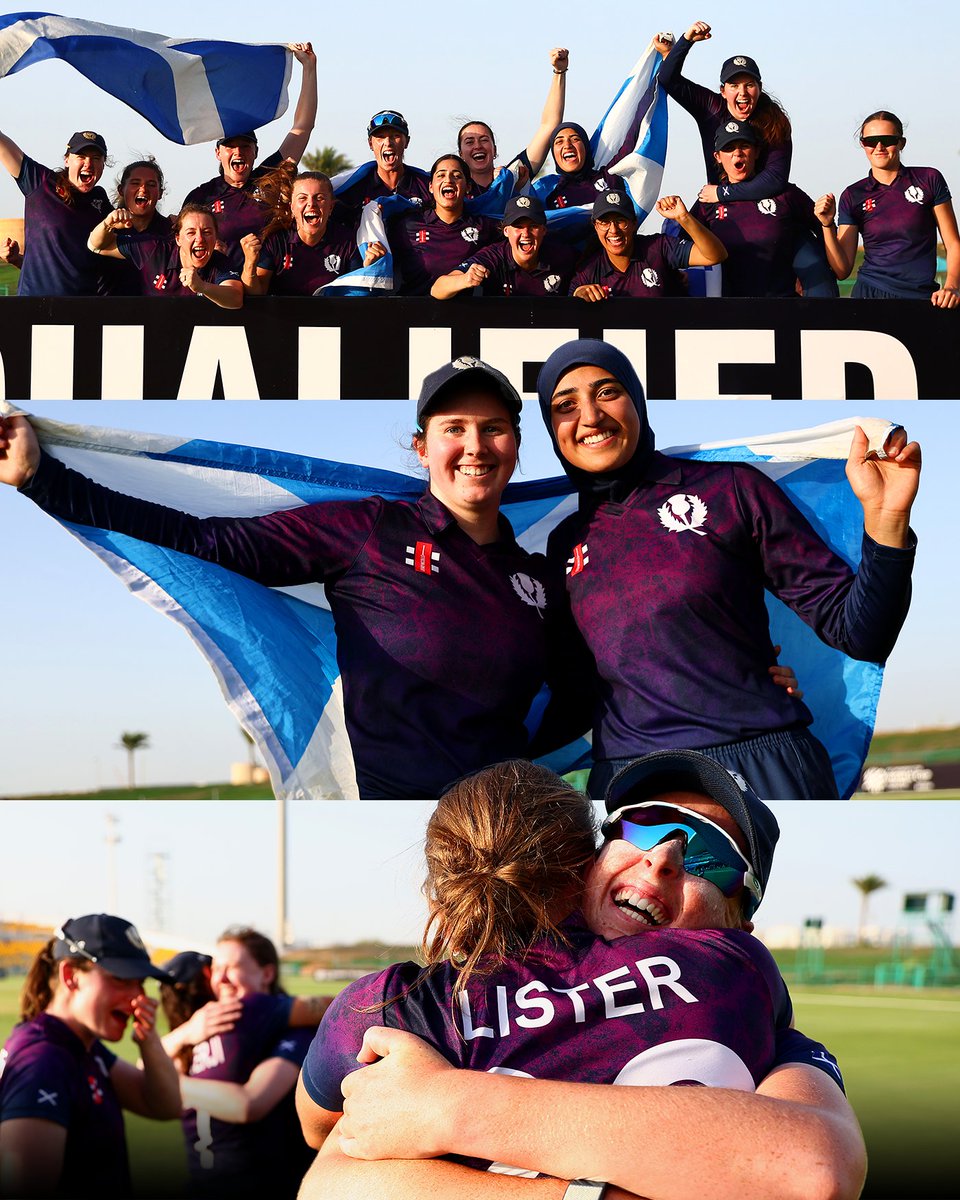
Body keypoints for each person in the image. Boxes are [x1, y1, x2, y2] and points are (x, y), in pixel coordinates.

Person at [0, 358, 587, 799]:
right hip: (399, 819)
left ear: (515, 445)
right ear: (422, 446)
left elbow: (575, 697)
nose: (475, 446)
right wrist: (42, 480)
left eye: (494, 429)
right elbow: (206, 540)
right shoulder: (370, 528)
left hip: (512, 821)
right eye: (454, 428)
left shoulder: (537, 577)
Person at [296, 753, 865, 1200]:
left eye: (709, 856)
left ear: (742, 922)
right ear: (590, 859)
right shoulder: (420, 1000)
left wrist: (452, 1105)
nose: (661, 858)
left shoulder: (747, 987)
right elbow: (328, 1181)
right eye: (642, 827)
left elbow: (814, 1166)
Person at [535, 338, 919, 800]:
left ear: (636, 401)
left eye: (607, 392)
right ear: (551, 426)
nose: (590, 416)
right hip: (631, 783)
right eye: (565, 404)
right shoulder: (563, 546)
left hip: (762, 763)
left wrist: (887, 520)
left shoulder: (731, 490)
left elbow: (860, 633)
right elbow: (573, 694)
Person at [0, 913, 181, 1198]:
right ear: (70, 976)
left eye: (141, 982)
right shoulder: (44, 1062)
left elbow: (165, 1105)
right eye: (121, 979)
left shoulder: (81, 1047)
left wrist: (150, 1042)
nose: (138, 998)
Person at [158, 928, 327, 1200]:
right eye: (216, 969)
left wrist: (170, 1082)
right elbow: (144, 1072)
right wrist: (186, 1032)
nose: (221, 978)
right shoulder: (203, 1027)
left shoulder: (279, 1022)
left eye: (233, 967)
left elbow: (249, 1104)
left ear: (267, 974)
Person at [181, 43, 318, 270]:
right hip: (219, 294)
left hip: (267, 293)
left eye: (245, 146)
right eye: (230, 146)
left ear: (256, 152)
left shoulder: (269, 178)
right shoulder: (201, 197)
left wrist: (309, 68)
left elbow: (302, 128)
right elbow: (180, 251)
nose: (238, 152)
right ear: (218, 153)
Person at [815, 111, 960, 307]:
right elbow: (842, 270)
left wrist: (952, 286)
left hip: (921, 298)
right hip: (869, 297)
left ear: (901, 142)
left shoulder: (929, 179)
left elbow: (952, 244)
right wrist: (826, 224)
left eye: (887, 140)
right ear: (862, 144)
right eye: (871, 141)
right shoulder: (853, 194)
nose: (879, 147)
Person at [687, 122, 835, 297]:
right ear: (717, 156)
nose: (737, 153)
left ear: (756, 152)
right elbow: (681, 248)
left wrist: (813, 274)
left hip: (782, 310)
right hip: (730, 313)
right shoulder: (708, 200)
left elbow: (825, 231)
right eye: (728, 148)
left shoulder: (785, 194)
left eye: (744, 146)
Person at [655, 22, 793, 204]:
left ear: (759, 88)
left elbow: (775, 179)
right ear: (723, 90)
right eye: (734, 86)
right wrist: (686, 41)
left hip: (764, 205)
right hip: (718, 206)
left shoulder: (774, 121)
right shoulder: (710, 106)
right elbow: (667, 78)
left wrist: (722, 193)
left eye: (749, 85)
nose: (742, 93)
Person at [0, 128, 115, 295]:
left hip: (81, 312)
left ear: (103, 164)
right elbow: (4, 147)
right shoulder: (41, 183)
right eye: (81, 157)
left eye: (96, 158)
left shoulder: (101, 203)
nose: (88, 164)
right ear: (67, 160)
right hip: (33, 308)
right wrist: (20, 260)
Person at [570, 189, 726, 300]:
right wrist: (579, 294)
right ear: (595, 226)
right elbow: (571, 305)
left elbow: (716, 255)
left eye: (620, 221)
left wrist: (683, 217)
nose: (613, 230)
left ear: (634, 224)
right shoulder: (588, 271)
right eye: (604, 222)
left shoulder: (658, 247)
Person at [240, 171, 376, 295]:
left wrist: (369, 269)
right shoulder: (276, 241)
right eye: (302, 198)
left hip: (330, 320)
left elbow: (357, 298)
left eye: (319, 198)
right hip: (284, 319)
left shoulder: (348, 241)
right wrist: (249, 264)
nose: (311, 204)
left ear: (331, 207)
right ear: (292, 207)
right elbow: (256, 294)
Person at [87, 203, 243, 307]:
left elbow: (236, 298)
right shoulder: (155, 250)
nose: (200, 239)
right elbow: (95, 245)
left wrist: (202, 286)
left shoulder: (219, 261)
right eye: (191, 233)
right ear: (178, 238)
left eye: (207, 232)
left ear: (216, 237)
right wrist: (107, 224)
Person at [458, 48, 568, 196]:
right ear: (460, 154)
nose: (478, 146)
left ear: (495, 150)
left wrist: (559, 72)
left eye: (484, 140)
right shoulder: (452, 191)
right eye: (469, 142)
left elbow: (549, 125)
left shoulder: (513, 177)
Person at [388, 155, 501, 295]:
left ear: (468, 187)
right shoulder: (407, 225)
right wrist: (372, 260)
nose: (448, 180)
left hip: (465, 314)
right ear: (430, 186)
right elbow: (383, 265)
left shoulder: (483, 226)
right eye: (441, 175)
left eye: (457, 176)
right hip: (413, 313)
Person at [431, 193, 577, 298]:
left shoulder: (563, 256)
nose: (526, 233)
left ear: (544, 231)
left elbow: (585, 278)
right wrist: (464, 279)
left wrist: (581, 290)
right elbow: (437, 289)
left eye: (533, 226)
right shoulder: (494, 255)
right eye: (518, 227)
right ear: (506, 231)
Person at [333, 110, 432, 217]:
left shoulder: (426, 185)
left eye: (395, 136)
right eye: (380, 137)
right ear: (370, 143)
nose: (388, 143)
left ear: (407, 142)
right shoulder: (353, 188)